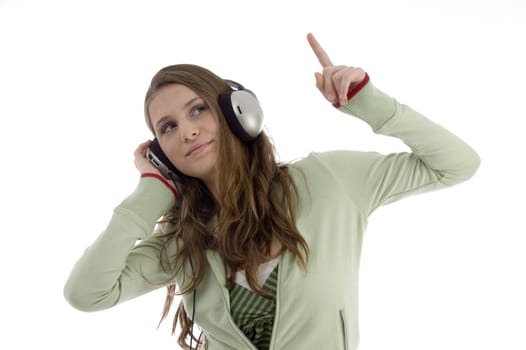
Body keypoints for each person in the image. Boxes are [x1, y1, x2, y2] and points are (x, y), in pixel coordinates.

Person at [63, 33, 480, 350]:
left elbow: (456, 164)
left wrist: (368, 102)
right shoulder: (181, 242)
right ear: (161, 149)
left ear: (236, 111)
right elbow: (86, 294)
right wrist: (154, 190)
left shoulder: (329, 180)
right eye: (167, 127)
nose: (187, 130)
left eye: (198, 109)